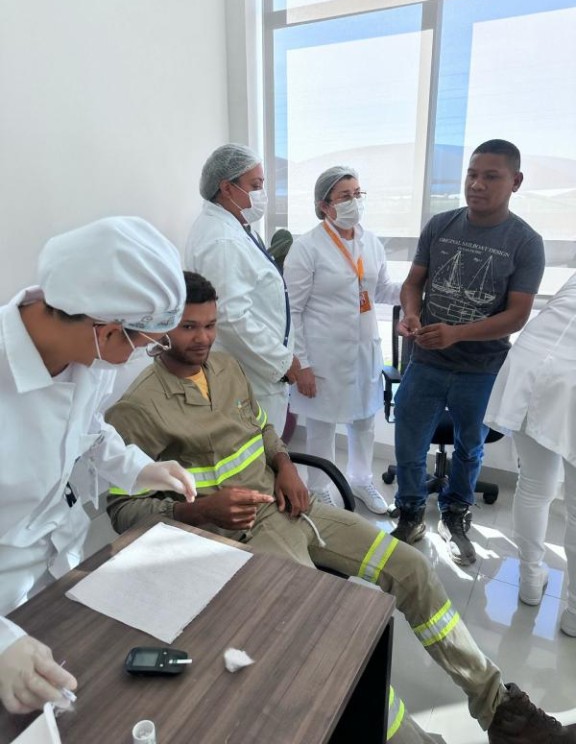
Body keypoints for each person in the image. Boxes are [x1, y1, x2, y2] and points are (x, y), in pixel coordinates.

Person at [104, 271, 575, 744]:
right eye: (189, 327)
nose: (204, 338)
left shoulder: (226, 368)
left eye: (210, 325)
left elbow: (262, 429)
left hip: (292, 507)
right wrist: (201, 511)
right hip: (239, 539)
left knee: (412, 569)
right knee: (329, 634)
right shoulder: (139, 408)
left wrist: (285, 463)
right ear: (161, 327)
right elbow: (123, 511)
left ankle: (501, 711)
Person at [0, 217, 196, 715]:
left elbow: (88, 429)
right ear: (107, 331)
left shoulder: (88, 352)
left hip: (56, 567)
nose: (143, 355)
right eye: (145, 344)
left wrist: (140, 468)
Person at [391, 139, 545, 566]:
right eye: (472, 175)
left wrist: (457, 334)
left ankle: (455, 513)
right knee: (409, 441)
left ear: (515, 181)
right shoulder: (441, 225)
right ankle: (410, 513)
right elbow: (412, 284)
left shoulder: (526, 242)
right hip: (426, 361)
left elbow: (517, 315)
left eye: (491, 176)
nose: (477, 184)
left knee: (470, 447)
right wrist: (412, 314)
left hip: (482, 369)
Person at [283, 166, 400, 513]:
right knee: (322, 426)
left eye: (358, 194)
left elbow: (382, 290)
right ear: (324, 205)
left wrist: (417, 290)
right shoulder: (307, 247)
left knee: (364, 421)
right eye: (345, 196)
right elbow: (292, 310)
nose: (355, 201)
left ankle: (361, 480)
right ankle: (319, 488)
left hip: (364, 352)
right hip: (323, 355)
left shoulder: (371, 242)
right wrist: (301, 364)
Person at [185, 143, 299, 434]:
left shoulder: (234, 227)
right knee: (259, 453)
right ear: (226, 188)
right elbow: (230, 317)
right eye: (255, 185)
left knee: (265, 451)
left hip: (255, 373)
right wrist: (281, 362)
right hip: (251, 376)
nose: (262, 194)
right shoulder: (222, 240)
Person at [484, 272, 576, 628]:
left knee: (535, 486)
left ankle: (530, 581)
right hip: (563, 369)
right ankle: (574, 614)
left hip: (531, 361)